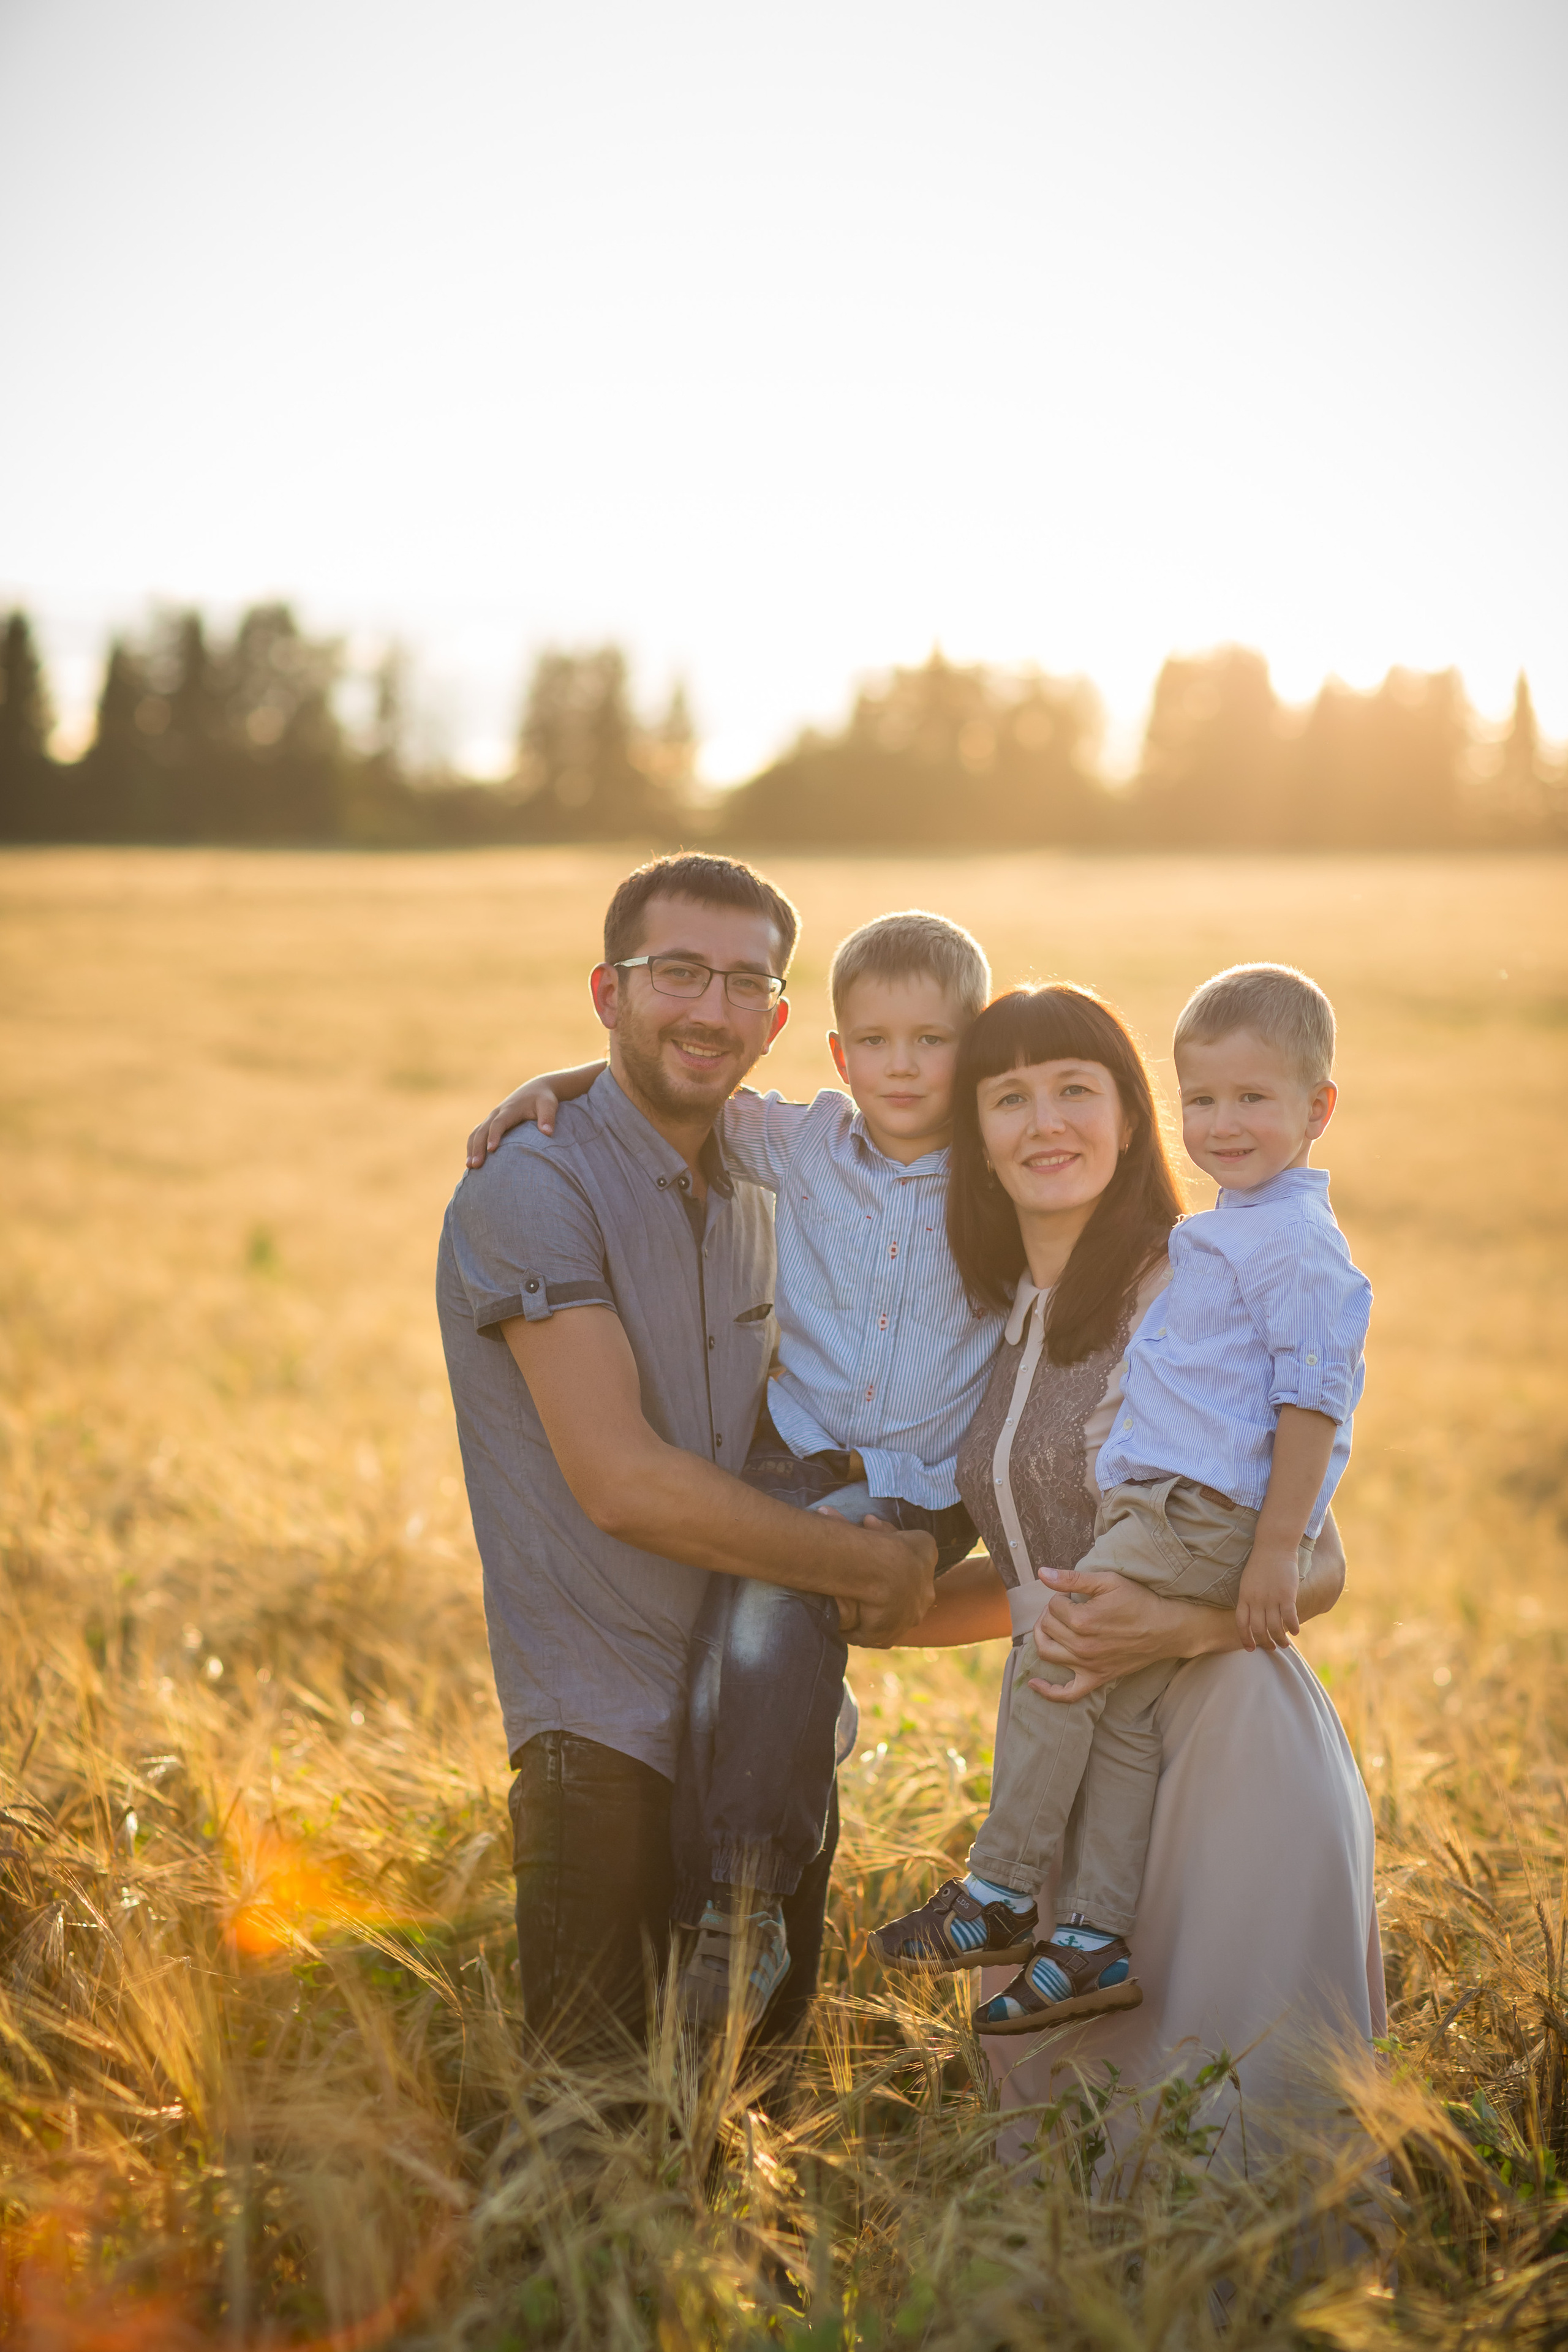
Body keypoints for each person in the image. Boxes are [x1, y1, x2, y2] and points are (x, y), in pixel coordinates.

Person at [436, 853, 936, 2057]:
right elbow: (618, 1478)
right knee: (593, 2155)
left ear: (776, 1023)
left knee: (747, 2134)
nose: (709, 1009)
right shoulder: (532, 1183)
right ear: (606, 993)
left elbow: (970, 1113)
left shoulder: (789, 1184)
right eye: (675, 974)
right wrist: (860, 1569)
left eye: (744, 984)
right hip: (601, 1745)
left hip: (767, 1748)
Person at [880, 982, 1381, 2136]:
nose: (1045, 1122)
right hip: (1089, 1744)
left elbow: (1318, 1563)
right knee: (1080, 2165)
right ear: (979, 1139)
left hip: (1221, 1740)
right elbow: (1034, 1580)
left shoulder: (1190, 1280)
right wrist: (870, 1612)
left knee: (1226, 2124)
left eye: (1076, 1090)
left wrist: (1177, 1628)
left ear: (1130, 1116)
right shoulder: (998, 1315)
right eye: (1009, 1098)